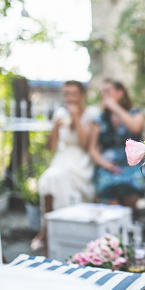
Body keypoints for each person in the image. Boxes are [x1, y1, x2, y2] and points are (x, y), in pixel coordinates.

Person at [31, 80, 98, 252]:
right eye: (66, 94)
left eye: (73, 94)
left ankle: (50, 231)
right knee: (52, 179)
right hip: (61, 159)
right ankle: (48, 230)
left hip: (80, 162)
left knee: (54, 179)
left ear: (82, 95)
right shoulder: (60, 113)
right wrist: (55, 128)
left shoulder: (90, 114)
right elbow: (50, 146)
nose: (69, 98)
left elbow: (85, 145)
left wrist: (76, 117)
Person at [89, 80, 145, 207]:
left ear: (120, 93)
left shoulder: (136, 114)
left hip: (133, 167)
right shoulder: (99, 119)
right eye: (103, 92)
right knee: (111, 203)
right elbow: (92, 149)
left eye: (108, 91)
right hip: (108, 167)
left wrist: (115, 108)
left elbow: (135, 128)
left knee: (130, 199)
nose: (104, 95)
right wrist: (106, 165)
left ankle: (127, 225)